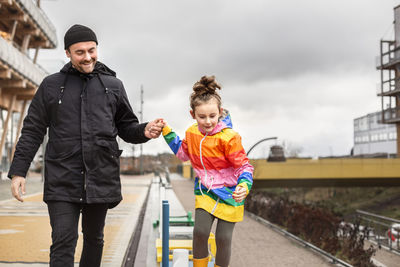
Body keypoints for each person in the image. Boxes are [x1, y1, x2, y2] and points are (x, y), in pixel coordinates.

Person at [8, 24, 163, 267]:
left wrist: (143, 130)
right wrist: (19, 171)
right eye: (80, 52)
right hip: (62, 178)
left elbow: (126, 126)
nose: (88, 57)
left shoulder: (113, 85)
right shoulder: (51, 85)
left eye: (92, 50)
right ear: (68, 53)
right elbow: (32, 130)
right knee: (63, 240)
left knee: (95, 239)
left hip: (100, 176)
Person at [162, 75, 254, 267]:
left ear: (220, 112)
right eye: (201, 117)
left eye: (212, 116)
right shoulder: (192, 133)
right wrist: (166, 131)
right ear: (192, 114)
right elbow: (183, 153)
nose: (208, 121)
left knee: (223, 238)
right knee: (200, 232)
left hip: (231, 193)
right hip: (206, 190)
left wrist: (244, 186)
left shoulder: (229, 138)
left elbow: (244, 166)